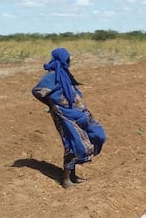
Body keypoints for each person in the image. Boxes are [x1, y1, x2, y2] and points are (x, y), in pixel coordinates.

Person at [32, 48, 106, 188]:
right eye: (68, 60)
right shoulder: (52, 76)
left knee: (97, 134)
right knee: (73, 143)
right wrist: (52, 104)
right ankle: (66, 179)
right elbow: (37, 91)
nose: (69, 62)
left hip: (77, 112)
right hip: (64, 115)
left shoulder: (64, 74)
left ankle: (72, 176)